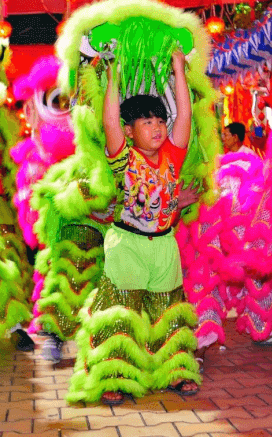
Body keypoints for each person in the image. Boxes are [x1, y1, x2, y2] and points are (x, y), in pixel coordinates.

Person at [67, 48, 201, 406]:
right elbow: (110, 121)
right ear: (130, 131)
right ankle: (114, 375)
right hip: (126, 244)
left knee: (168, 311)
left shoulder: (173, 155)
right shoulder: (123, 158)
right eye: (147, 122)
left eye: (160, 121)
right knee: (121, 312)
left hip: (165, 245)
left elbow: (185, 114)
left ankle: (174, 371)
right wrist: (112, 75)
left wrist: (178, 68)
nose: (157, 128)